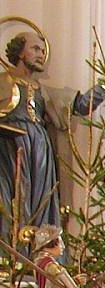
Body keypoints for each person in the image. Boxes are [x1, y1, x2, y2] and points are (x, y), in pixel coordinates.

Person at [1, 31, 59, 236]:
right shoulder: (3, 81)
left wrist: (104, 86)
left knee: (40, 200)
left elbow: (70, 108)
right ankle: (11, 247)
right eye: (35, 49)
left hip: (40, 149)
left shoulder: (42, 90)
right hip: (11, 146)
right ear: (20, 52)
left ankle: (39, 247)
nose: (41, 54)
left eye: (42, 51)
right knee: (13, 197)